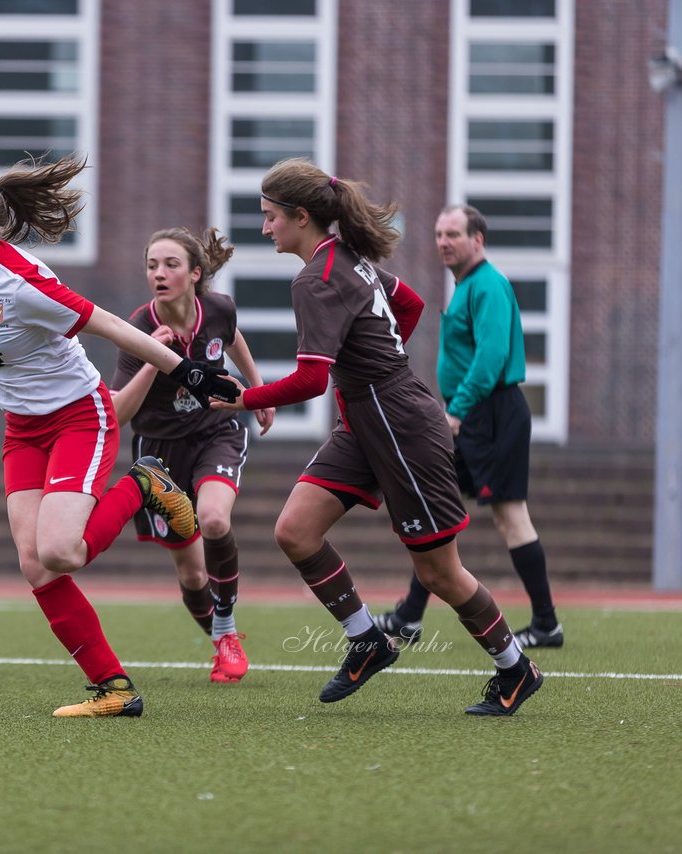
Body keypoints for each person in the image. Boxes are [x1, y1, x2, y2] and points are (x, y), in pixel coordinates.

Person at [0, 156, 239, 717]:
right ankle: (114, 689)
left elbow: (111, 325)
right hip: (21, 429)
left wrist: (188, 372)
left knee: (61, 551)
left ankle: (146, 483)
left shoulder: (23, 282)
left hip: (79, 417)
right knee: (35, 566)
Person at [211, 158, 544, 716]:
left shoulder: (315, 278)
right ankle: (367, 639)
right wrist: (373, 370)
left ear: (300, 216)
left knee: (438, 572)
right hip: (371, 417)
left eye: (270, 217)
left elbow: (314, 379)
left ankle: (516, 667)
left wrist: (246, 398)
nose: (265, 228)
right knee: (295, 530)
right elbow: (409, 304)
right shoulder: (346, 258)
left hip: (400, 424)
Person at [373, 205, 562, 650]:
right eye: (439, 234)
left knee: (510, 518)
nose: (444, 242)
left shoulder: (488, 285)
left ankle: (547, 624)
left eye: (453, 234)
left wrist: (456, 410)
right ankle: (410, 617)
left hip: (491, 415)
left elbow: (492, 356)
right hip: (473, 413)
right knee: (433, 509)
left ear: (477, 240)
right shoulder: (465, 287)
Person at [108, 227, 275, 684]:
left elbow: (232, 336)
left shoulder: (218, 308)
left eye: (170, 265)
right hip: (158, 454)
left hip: (214, 430)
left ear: (195, 273)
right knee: (192, 572)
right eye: (151, 266)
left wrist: (257, 389)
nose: (158, 274)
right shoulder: (137, 329)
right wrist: (152, 357)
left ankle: (225, 633)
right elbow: (119, 413)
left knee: (215, 520)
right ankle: (222, 637)